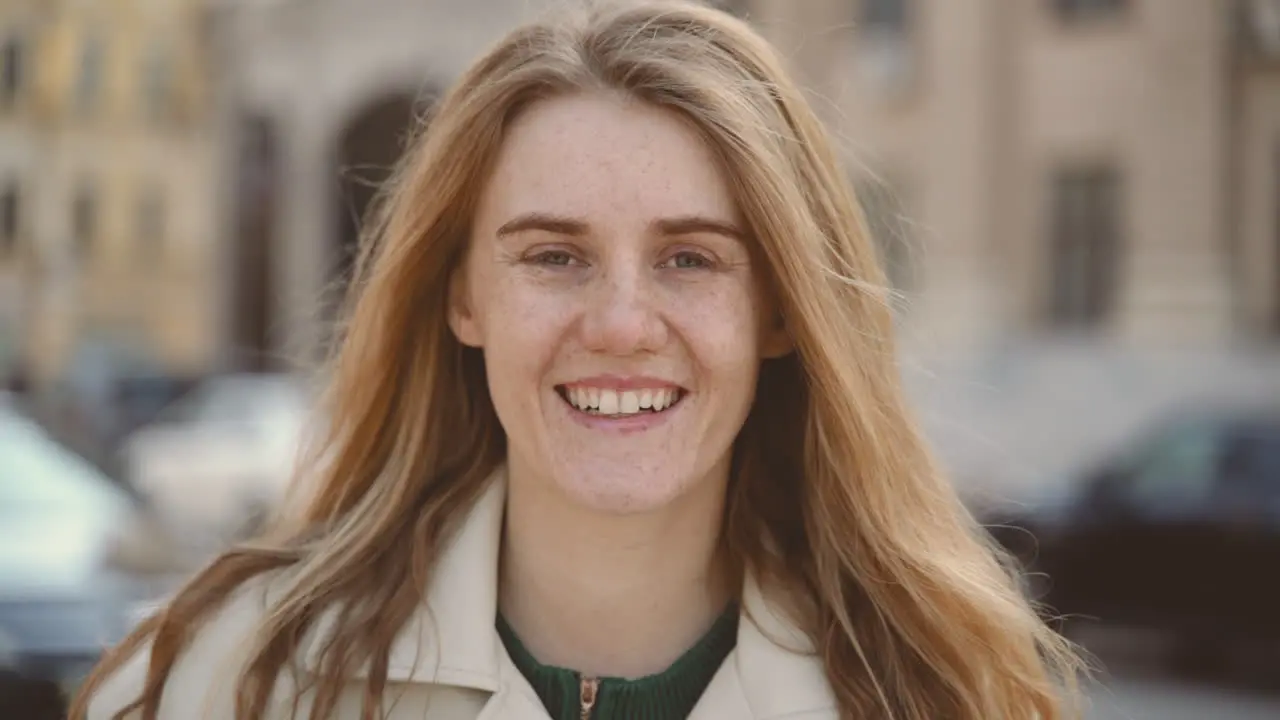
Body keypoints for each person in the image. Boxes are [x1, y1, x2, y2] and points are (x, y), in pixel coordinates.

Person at [72, 1, 1084, 718]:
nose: (619, 322)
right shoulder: (231, 679)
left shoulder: (946, 694)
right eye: (554, 257)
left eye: (689, 259)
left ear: (780, 309)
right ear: (461, 298)